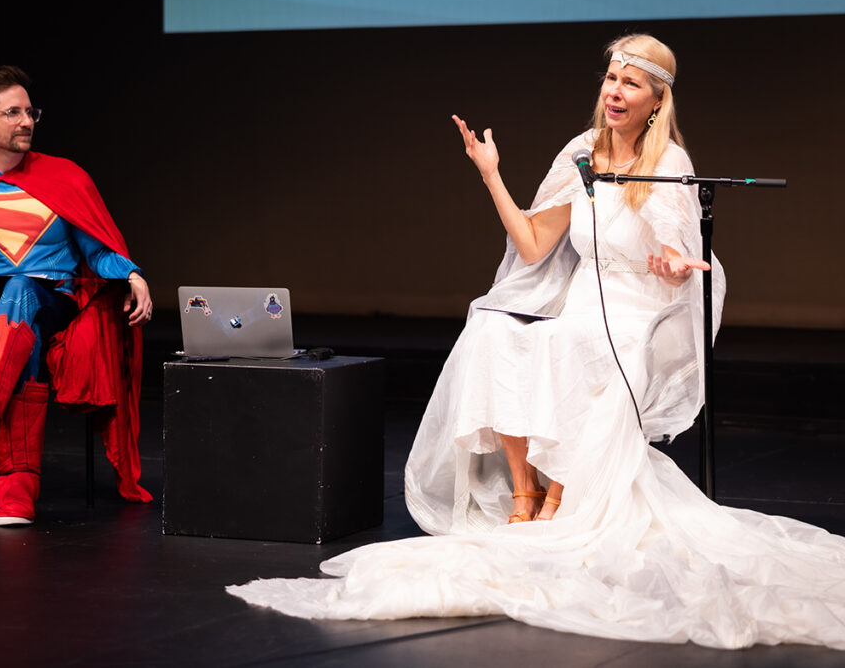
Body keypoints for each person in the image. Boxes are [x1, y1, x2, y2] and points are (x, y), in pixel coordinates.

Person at [227, 36, 845, 649]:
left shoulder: (670, 164)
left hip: (644, 310)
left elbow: (673, 252)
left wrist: (675, 266)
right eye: (610, 79)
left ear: (657, 98)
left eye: (630, 83)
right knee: (497, 328)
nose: (614, 92)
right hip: (588, 294)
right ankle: (527, 491)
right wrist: (492, 176)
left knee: (573, 346)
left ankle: (561, 492)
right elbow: (531, 243)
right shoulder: (581, 154)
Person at [0, 65, 154, 526]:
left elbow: (98, 248)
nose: (26, 121)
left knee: (23, 291)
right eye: (12, 113)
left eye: (30, 112)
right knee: (24, 341)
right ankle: (16, 490)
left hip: (55, 301)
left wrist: (132, 273)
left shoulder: (65, 177)